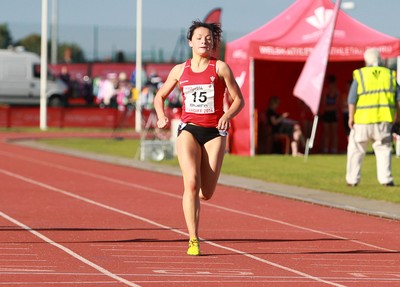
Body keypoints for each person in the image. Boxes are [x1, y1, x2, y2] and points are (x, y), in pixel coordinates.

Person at [153, 20, 244, 256]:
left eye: (209, 38)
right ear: (190, 42)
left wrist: (227, 114)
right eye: (200, 37)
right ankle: (193, 239)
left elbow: (239, 100)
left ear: (213, 42)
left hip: (215, 132)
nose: (204, 41)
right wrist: (161, 116)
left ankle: (199, 199)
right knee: (191, 183)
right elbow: (159, 96)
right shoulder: (179, 70)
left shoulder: (220, 68)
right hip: (189, 130)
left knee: (206, 193)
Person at [346, 48, 400, 187]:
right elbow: (398, 100)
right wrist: (397, 118)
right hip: (383, 119)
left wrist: (351, 117)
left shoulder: (361, 75)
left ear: (366, 60)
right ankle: (386, 179)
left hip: (363, 119)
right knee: (383, 149)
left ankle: (352, 180)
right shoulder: (390, 75)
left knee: (356, 150)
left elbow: (352, 99)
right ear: (380, 59)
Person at [320, 75, 340, 153]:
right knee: (326, 132)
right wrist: (329, 108)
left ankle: (334, 149)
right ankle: (325, 148)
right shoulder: (326, 92)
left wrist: (329, 108)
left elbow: (336, 106)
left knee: (334, 133)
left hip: (333, 114)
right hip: (326, 114)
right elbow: (324, 104)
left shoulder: (337, 92)